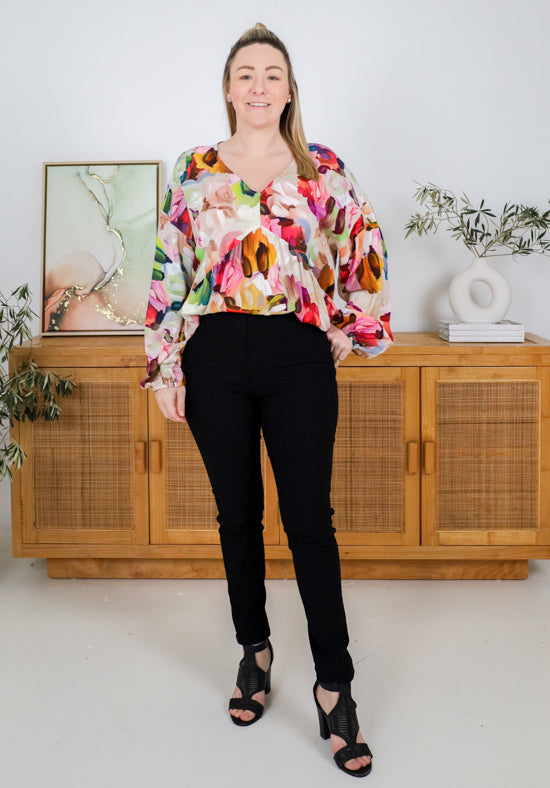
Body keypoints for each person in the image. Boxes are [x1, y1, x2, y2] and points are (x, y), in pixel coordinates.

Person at [142, 22, 392, 778]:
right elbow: (168, 268)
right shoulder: (195, 167)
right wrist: (166, 369)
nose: (258, 86)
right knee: (237, 514)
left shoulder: (324, 167)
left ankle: (334, 687)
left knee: (310, 521)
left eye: (272, 74)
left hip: (296, 354)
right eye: (245, 73)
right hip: (214, 353)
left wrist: (350, 328)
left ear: (289, 88)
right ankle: (254, 650)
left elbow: (363, 250)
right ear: (228, 88)